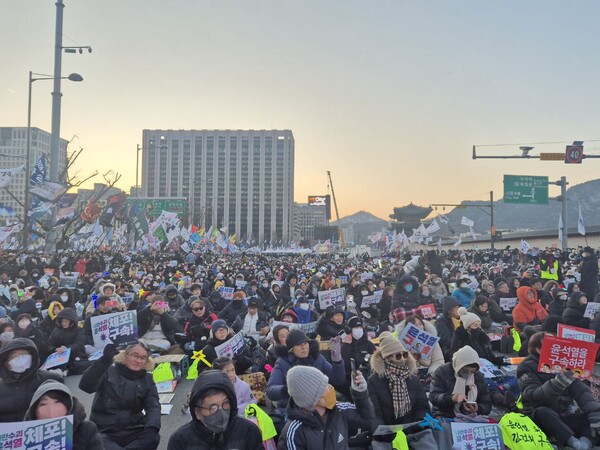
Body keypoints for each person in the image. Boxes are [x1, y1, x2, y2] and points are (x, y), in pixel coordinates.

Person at [517, 332, 600, 450]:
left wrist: (596, 416)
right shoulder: (526, 366)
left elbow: (583, 395)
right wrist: (557, 384)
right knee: (543, 412)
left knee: (594, 417)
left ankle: (585, 443)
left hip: (565, 415)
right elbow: (532, 395)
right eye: (549, 345)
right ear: (537, 349)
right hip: (541, 417)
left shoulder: (565, 365)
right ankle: (574, 443)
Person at [79, 342, 161, 450]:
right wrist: (104, 360)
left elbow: (153, 405)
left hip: (134, 430)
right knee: (95, 441)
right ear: (125, 355)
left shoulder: (147, 379)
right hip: (104, 431)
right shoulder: (107, 371)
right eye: (135, 355)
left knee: (153, 437)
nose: (138, 360)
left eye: (143, 358)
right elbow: (86, 386)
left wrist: (152, 428)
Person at [278, 365, 374, 450]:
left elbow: (367, 419)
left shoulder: (339, 410)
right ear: (314, 397)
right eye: (324, 385)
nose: (330, 386)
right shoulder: (294, 432)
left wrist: (360, 393)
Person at [167, 370, 263, 450]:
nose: (221, 413)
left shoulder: (248, 432)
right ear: (197, 413)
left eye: (225, 403)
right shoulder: (180, 441)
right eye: (212, 408)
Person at [368, 331, 429, 437]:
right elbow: (374, 413)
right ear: (387, 358)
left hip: (411, 430)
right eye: (398, 356)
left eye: (405, 355)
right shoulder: (374, 381)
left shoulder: (412, 378)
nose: (403, 359)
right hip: (386, 433)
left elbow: (421, 406)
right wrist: (383, 432)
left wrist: (420, 421)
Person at [266, 329, 345, 409]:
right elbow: (270, 390)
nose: (303, 347)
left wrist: (337, 360)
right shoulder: (282, 362)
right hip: (292, 407)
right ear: (291, 349)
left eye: (305, 343)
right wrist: (290, 389)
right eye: (298, 345)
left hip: (318, 405)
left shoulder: (317, 358)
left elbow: (338, 380)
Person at [24, 380, 105, 450]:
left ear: (68, 406)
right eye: (43, 404)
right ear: (34, 411)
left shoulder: (86, 429)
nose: (51, 409)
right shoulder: (25, 437)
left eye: (57, 402)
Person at [0, 338, 63, 422]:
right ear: (6, 363)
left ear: (33, 356)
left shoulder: (51, 379)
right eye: (14, 356)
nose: (20, 358)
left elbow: (67, 409)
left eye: (24, 354)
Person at [429, 345, 492, 418]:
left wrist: (478, 409)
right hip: (445, 415)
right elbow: (434, 397)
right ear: (458, 366)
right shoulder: (442, 372)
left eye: (472, 371)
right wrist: (451, 398)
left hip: (472, 417)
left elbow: (486, 403)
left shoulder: (478, 377)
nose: (468, 374)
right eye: (465, 371)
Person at [435, 296, 461, 362]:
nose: (458, 310)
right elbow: (446, 341)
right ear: (449, 310)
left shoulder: (457, 319)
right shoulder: (441, 322)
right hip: (447, 351)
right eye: (456, 308)